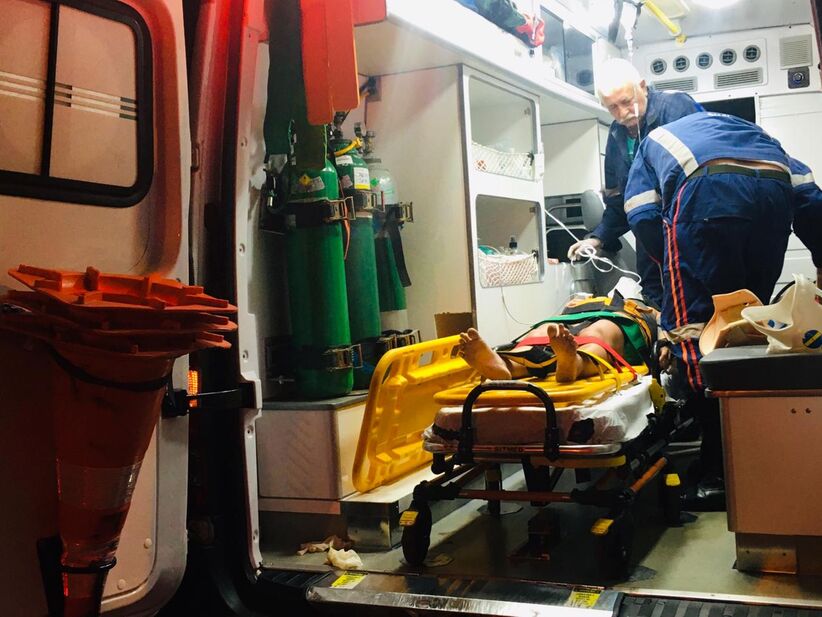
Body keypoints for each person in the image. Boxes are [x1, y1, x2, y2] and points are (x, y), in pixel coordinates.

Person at [624, 110, 822, 510]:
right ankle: (754, 451)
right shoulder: (752, 133)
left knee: (698, 331)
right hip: (773, 196)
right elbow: (809, 197)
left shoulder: (652, 142)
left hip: (705, 195)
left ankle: (719, 475)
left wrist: (672, 265)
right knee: (749, 325)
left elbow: (642, 214)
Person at [567, 58, 702, 308]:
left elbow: (703, 177)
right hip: (649, 242)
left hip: (689, 233)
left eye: (627, 102)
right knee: (654, 303)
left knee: (695, 303)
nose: (622, 113)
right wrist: (597, 238)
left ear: (642, 87)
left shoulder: (676, 108)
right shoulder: (617, 134)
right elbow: (619, 201)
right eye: (612, 108)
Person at [459, 289, 658, 384]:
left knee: (597, 332)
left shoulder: (644, 306)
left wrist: (664, 341)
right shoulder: (579, 301)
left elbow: (664, 321)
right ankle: (505, 366)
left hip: (621, 318)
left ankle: (571, 362)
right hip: (574, 317)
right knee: (546, 331)